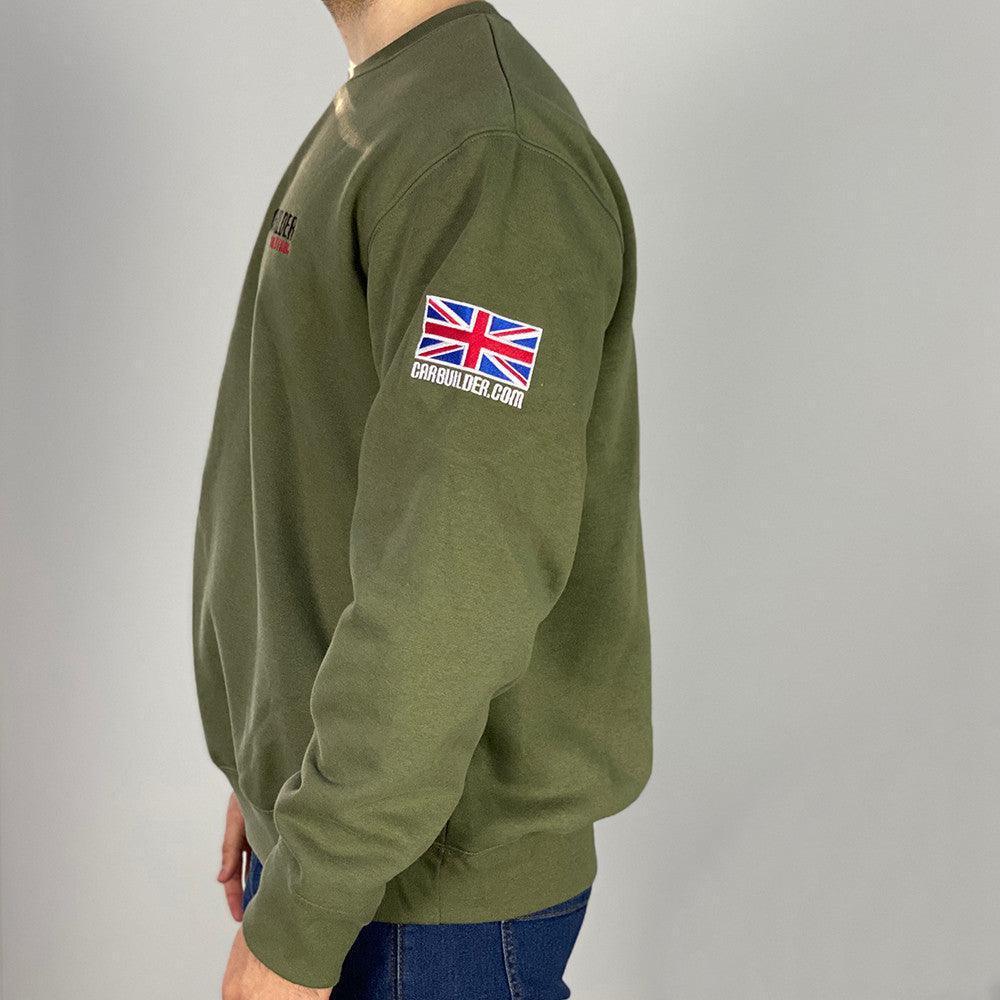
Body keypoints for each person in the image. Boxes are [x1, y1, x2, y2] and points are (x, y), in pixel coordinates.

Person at [191, 1, 652, 996]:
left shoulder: (486, 156)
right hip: (359, 847)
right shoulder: (399, 105)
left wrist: (312, 893)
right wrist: (277, 776)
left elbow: (454, 578)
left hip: (422, 909)